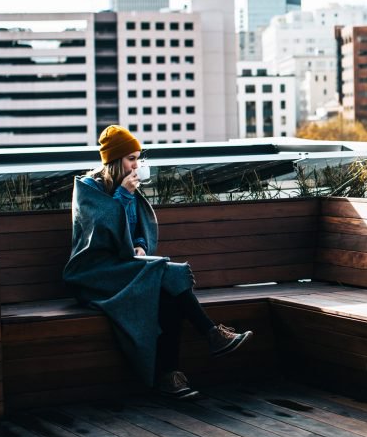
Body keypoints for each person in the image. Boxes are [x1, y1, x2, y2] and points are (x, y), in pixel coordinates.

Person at [64, 125, 252, 400]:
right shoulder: (89, 189)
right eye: (131, 158)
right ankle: (209, 335)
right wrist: (123, 196)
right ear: (114, 160)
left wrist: (140, 246)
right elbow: (100, 232)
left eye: (138, 157)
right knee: (167, 272)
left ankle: (170, 375)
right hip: (95, 275)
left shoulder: (128, 190)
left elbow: (138, 228)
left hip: (127, 270)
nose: (136, 165)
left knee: (168, 295)